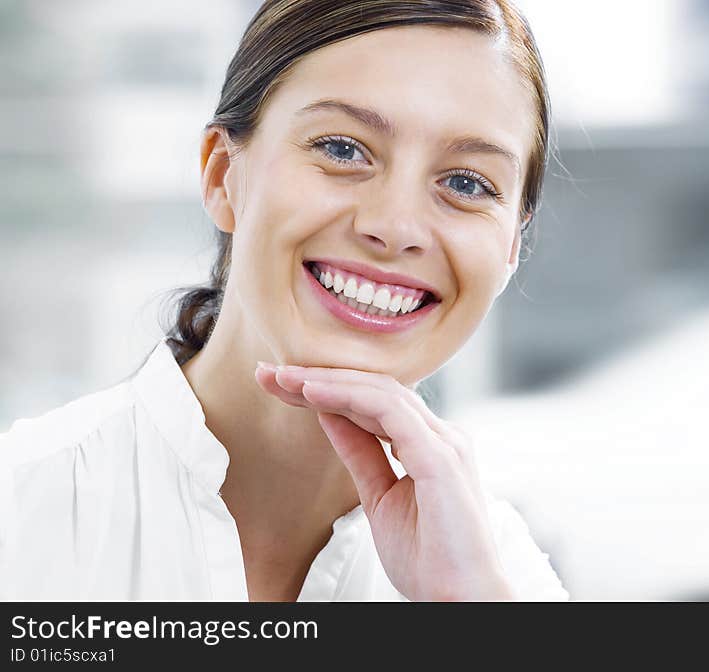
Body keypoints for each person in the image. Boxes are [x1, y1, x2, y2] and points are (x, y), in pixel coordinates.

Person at [0, 0, 568, 602]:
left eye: (465, 183)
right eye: (343, 149)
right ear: (223, 176)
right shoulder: (22, 509)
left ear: (510, 247)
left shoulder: (503, 579)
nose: (396, 226)